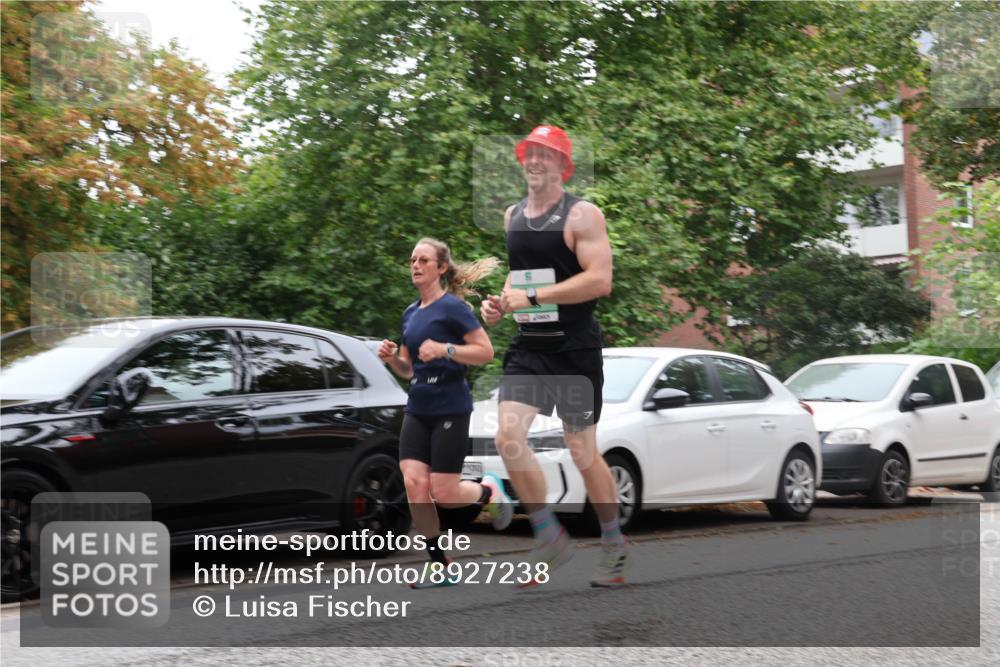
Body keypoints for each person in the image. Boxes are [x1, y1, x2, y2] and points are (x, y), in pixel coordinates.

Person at [480, 125, 626, 588]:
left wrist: (537, 296)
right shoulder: (512, 217)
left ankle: (613, 543)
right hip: (531, 348)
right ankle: (549, 537)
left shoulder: (583, 215)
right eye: (531, 154)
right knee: (508, 437)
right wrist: (499, 305)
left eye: (548, 155)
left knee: (582, 451)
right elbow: (519, 280)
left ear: (564, 166)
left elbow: (599, 280)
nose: (536, 161)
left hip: (574, 350)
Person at [378, 238, 513, 587]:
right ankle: (441, 564)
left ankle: (488, 492)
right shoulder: (410, 313)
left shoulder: (453, 309)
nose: (415, 265)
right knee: (413, 484)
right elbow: (408, 369)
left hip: (450, 405)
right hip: (419, 406)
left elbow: (484, 352)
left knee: (445, 493)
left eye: (423, 260)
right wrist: (393, 358)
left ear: (440, 268)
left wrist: (446, 349)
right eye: (412, 260)